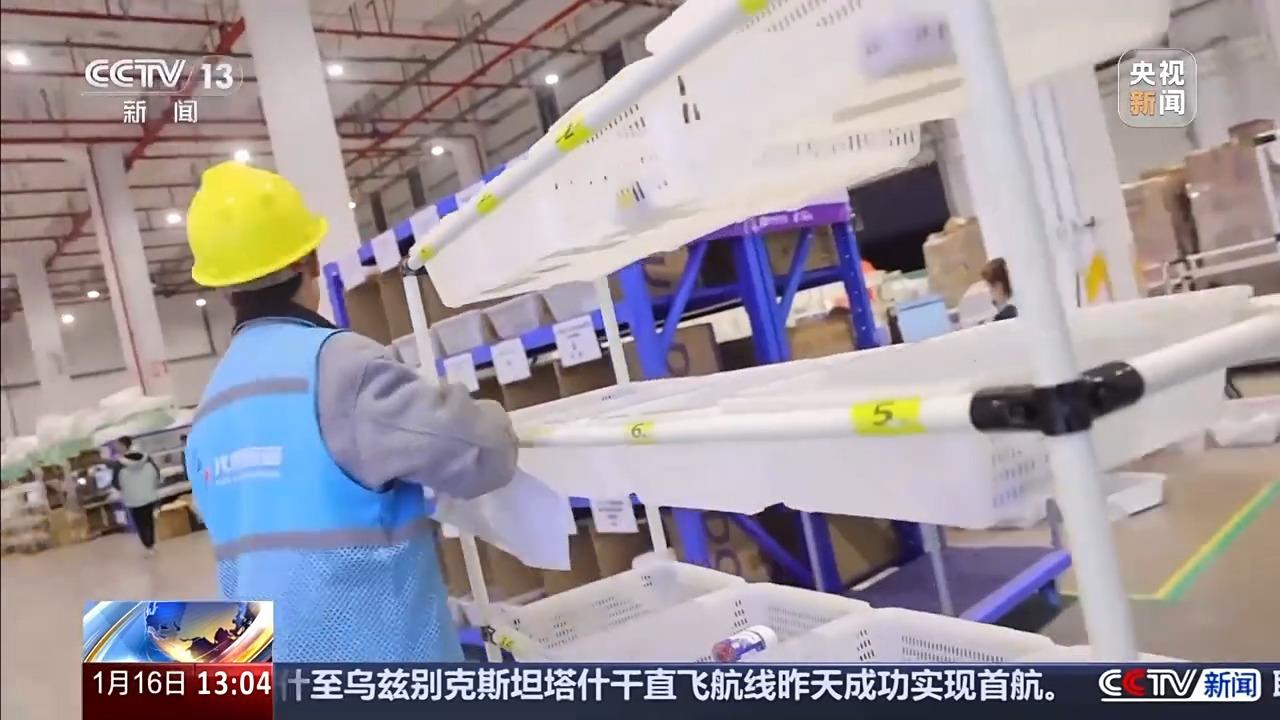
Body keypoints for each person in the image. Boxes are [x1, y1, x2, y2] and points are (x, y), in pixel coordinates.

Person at [183, 161, 518, 662]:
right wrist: (494, 415)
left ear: (223, 288)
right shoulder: (339, 369)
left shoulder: (209, 411)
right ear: (309, 261)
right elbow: (482, 453)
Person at [112, 435, 162, 557]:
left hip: (132, 499)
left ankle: (148, 546)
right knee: (149, 521)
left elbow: (115, 483)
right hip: (148, 495)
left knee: (140, 523)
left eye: (118, 445)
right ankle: (152, 543)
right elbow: (156, 473)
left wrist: (124, 488)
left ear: (124, 446)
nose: (116, 448)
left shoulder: (119, 464)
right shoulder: (146, 458)